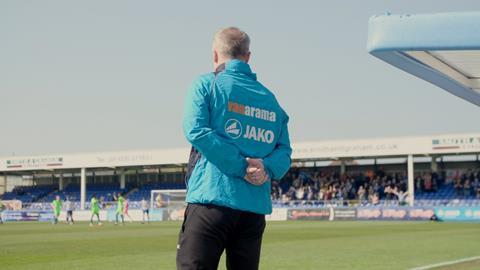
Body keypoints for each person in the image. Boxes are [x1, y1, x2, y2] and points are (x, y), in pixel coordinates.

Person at [177, 27, 292, 270]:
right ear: (248, 57)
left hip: (212, 198)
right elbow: (284, 153)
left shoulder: (207, 84)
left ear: (215, 55)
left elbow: (195, 130)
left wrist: (241, 167)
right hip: (253, 209)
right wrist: (266, 167)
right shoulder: (271, 99)